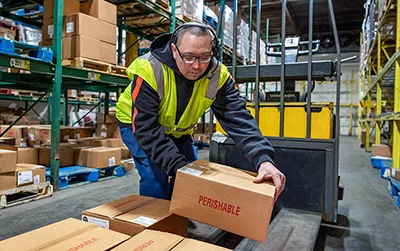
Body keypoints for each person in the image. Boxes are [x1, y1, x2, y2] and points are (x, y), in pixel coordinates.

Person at [116, 22, 286, 201]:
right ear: (174, 50)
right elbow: (147, 130)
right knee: (156, 177)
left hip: (178, 129)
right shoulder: (150, 69)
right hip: (137, 125)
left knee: (192, 172)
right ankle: (154, 224)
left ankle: (179, 216)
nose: (196, 66)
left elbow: (238, 119)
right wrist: (179, 168)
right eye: (188, 57)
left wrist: (263, 159)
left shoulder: (218, 76)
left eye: (204, 57)